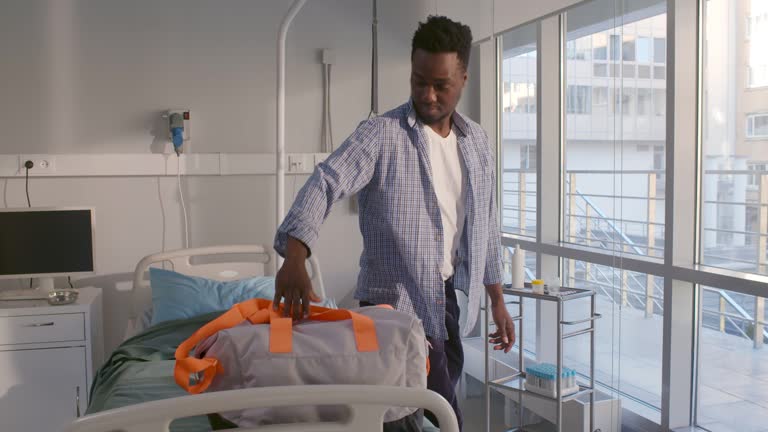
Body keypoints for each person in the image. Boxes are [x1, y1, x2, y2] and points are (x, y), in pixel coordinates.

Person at [273, 15, 516, 430]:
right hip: (392, 307)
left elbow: (485, 225)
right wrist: (295, 253)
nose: (428, 94)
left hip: (448, 305)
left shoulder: (477, 142)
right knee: (427, 417)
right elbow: (326, 181)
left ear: (464, 78)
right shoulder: (381, 135)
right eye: (419, 80)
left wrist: (497, 299)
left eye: (441, 84)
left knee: (430, 411)